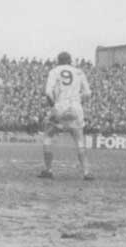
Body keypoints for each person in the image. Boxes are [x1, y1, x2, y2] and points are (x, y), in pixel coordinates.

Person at [39, 52, 94, 180]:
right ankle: (86, 172)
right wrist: (79, 102)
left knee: (48, 136)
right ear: (70, 61)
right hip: (76, 106)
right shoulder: (79, 72)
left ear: (58, 61)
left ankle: (48, 170)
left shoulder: (54, 71)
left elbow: (48, 92)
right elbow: (88, 93)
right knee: (79, 139)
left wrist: (54, 107)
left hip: (60, 105)